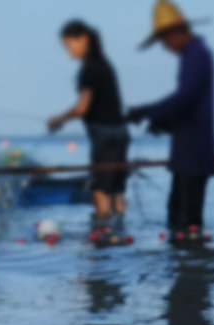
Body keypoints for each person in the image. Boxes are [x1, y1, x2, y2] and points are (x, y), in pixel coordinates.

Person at [126, 2, 214, 240]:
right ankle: (186, 272)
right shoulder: (192, 55)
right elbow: (189, 105)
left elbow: (185, 98)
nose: (165, 47)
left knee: (186, 223)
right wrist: (164, 122)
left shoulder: (197, 54)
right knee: (177, 219)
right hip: (186, 153)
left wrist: (147, 112)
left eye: (165, 40)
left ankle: (194, 274)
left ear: (177, 33)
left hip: (193, 156)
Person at [47, 20, 129, 222]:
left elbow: (83, 107)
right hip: (121, 135)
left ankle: (101, 237)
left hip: (104, 138)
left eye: (68, 45)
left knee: (100, 189)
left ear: (83, 38)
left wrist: (59, 119)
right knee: (117, 191)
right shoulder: (105, 65)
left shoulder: (89, 68)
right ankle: (119, 236)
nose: (69, 52)